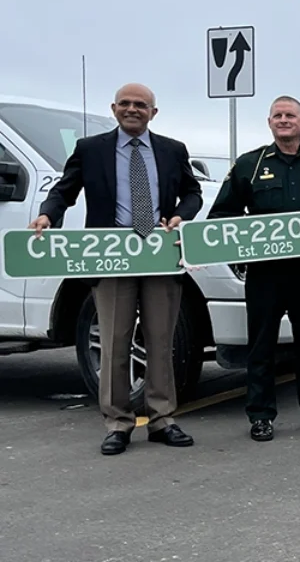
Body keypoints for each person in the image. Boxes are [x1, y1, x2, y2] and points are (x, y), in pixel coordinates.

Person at [31, 83, 203, 455]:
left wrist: (179, 216)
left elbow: (193, 193)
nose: (132, 109)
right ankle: (118, 423)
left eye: (140, 105)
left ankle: (162, 419)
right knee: (114, 343)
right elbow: (65, 189)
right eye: (125, 103)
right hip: (110, 257)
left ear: (153, 113)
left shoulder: (173, 151)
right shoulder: (90, 150)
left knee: (161, 342)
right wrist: (47, 215)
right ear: (113, 109)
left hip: (159, 257)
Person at [208, 95, 300, 442]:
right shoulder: (249, 165)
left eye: (290, 115)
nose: (284, 120)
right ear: (269, 123)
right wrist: (243, 240)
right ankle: (260, 416)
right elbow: (220, 217)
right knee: (262, 346)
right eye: (278, 115)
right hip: (265, 274)